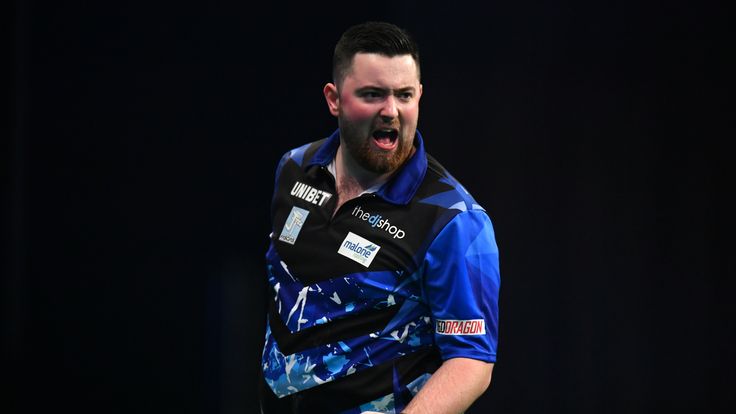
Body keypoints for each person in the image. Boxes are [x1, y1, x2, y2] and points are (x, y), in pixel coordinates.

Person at [259, 21, 501, 414]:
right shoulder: (294, 168)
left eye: (404, 95)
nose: (391, 111)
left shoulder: (454, 221)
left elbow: (471, 362)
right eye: (373, 95)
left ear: (420, 96)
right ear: (334, 99)